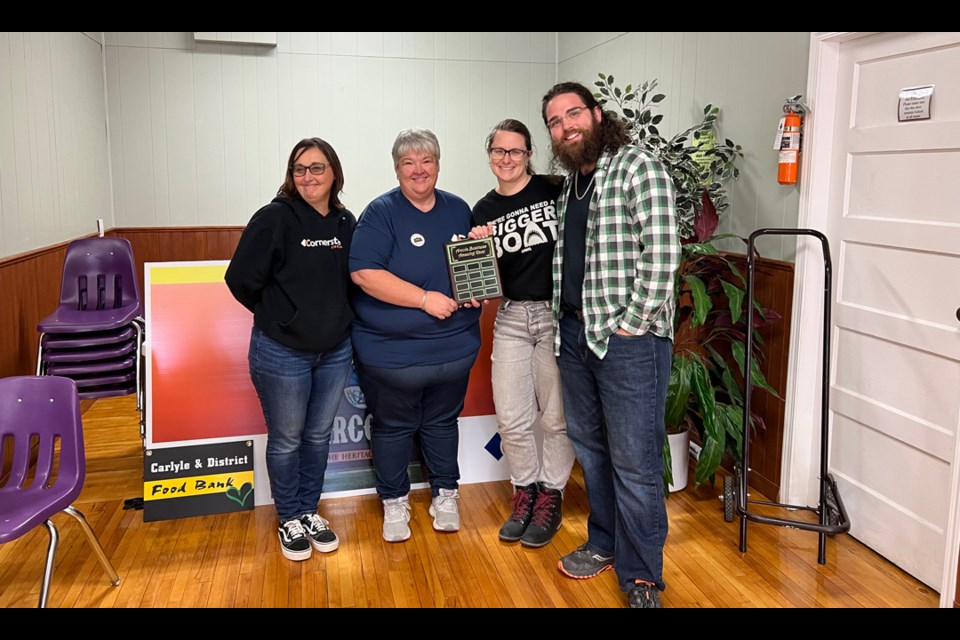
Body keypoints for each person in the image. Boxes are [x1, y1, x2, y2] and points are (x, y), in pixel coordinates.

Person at [542, 82, 680, 608]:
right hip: (575, 335)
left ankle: (643, 575)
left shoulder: (636, 167)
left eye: (573, 114)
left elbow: (663, 251)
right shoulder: (571, 186)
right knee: (593, 454)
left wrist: (634, 322)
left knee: (635, 462)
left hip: (627, 341)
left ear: (597, 114)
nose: (565, 126)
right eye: (555, 121)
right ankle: (604, 542)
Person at [225, 137, 355, 562]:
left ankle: (308, 511)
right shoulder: (273, 219)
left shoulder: (344, 222)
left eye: (317, 168)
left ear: (333, 172)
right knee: (286, 439)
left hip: (334, 351)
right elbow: (240, 279)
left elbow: (355, 280)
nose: (308, 176)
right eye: (300, 169)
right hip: (281, 352)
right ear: (291, 175)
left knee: (318, 437)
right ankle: (288, 518)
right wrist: (279, 317)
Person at [349, 128, 482, 543]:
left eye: (426, 160)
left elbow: (468, 267)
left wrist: (473, 290)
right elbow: (365, 274)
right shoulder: (380, 212)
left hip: (455, 349)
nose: (418, 169)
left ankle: (446, 493)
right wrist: (425, 300)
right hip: (392, 355)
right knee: (392, 427)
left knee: (443, 422)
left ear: (438, 165)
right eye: (409, 162)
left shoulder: (460, 208)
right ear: (396, 169)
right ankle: (394, 501)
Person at [468, 119, 574, 548]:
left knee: (555, 417)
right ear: (489, 154)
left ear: (529, 154)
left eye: (515, 152)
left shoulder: (555, 188)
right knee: (511, 417)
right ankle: (524, 491)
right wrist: (481, 247)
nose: (506, 159)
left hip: (556, 314)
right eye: (498, 151)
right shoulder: (483, 209)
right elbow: (483, 282)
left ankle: (551, 495)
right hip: (511, 315)